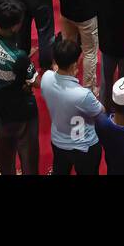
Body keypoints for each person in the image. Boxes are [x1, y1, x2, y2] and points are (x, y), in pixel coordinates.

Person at [0, 0, 40, 176]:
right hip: (22, 111)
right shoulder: (18, 57)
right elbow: (36, 82)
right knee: (28, 154)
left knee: (4, 153)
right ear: (15, 26)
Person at [40, 35, 103, 175]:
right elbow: (100, 112)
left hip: (58, 142)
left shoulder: (46, 78)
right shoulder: (82, 95)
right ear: (74, 65)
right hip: (84, 147)